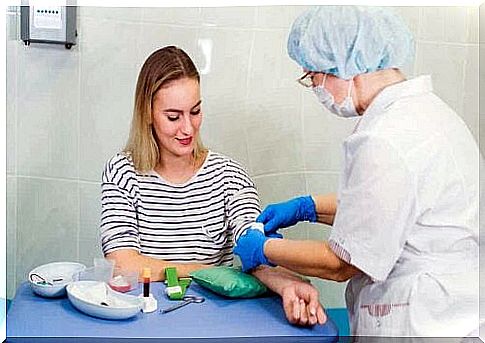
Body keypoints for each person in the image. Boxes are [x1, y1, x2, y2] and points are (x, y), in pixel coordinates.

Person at [234, 6, 480, 337]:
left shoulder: (386, 138)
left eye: (313, 76)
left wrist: (261, 249)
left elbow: (342, 263)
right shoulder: (431, 114)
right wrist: (307, 207)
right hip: (456, 311)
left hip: (422, 322)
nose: (315, 88)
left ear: (345, 66)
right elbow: (383, 208)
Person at [100, 46, 326, 326]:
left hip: (214, 324)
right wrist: (211, 271)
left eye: (195, 111)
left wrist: (285, 283)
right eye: (173, 117)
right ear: (147, 113)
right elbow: (123, 265)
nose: (187, 129)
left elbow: (253, 250)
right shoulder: (122, 172)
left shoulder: (230, 177)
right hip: (144, 323)